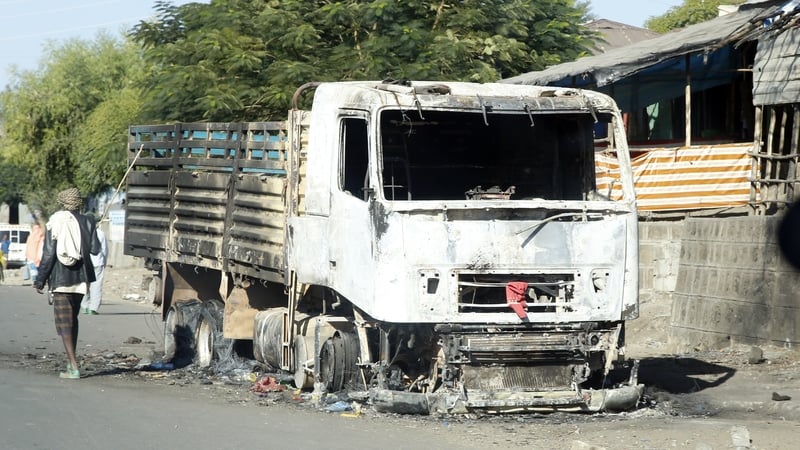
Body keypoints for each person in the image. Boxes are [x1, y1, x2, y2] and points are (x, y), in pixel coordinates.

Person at [33, 187, 101, 379]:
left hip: (62, 280)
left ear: (62, 203)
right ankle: (72, 362)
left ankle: (73, 365)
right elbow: (96, 249)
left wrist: (40, 280)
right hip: (82, 281)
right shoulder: (88, 220)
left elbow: (48, 254)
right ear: (79, 203)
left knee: (64, 323)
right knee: (73, 321)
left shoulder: (55, 221)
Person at [81, 226, 107, 315]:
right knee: (96, 285)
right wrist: (105, 262)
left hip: (85, 262)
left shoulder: (81, 231)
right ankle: (93, 308)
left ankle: (84, 306)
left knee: (84, 284)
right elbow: (104, 250)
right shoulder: (100, 233)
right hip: (98, 262)